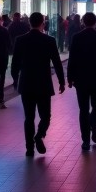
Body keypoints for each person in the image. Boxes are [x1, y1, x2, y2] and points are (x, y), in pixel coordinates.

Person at [10, 12, 65, 156]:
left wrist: (15, 79)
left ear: (29, 23)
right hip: (43, 84)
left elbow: (15, 63)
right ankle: (39, 135)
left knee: (29, 118)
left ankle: (29, 148)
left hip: (26, 83)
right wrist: (61, 81)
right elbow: (57, 62)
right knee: (45, 116)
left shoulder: (20, 40)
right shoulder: (49, 40)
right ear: (43, 23)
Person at [67, 11, 96, 150]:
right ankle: (93, 127)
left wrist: (70, 77)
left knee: (83, 110)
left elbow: (72, 58)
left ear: (83, 22)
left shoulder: (76, 37)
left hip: (81, 79)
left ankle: (86, 140)